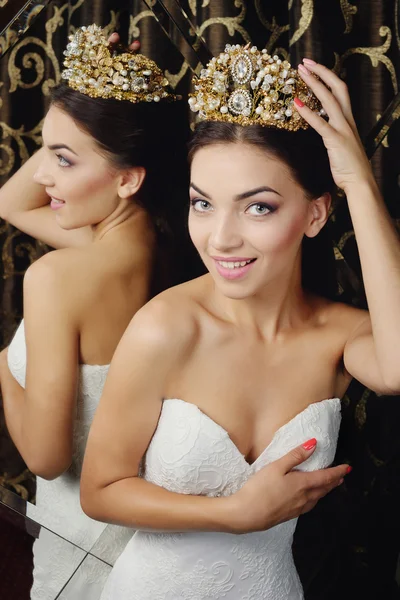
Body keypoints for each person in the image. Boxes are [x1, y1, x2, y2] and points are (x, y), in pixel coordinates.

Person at [80, 46, 400, 599]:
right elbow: (101, 491)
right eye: (202, 203)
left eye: (258, 207)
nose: (221, 237)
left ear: (315, 213)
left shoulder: (339, 336)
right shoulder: (166, 327)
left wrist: (360, 183)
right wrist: (235, 514)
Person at [0, 24, 192, 600]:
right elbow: (10, 202)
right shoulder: (157, 256)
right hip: (144, 542)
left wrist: (3, 368)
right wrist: (87, 107)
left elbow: (46, 455)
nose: (41, 175)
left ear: (129, 178)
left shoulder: (57, 277)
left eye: (63, 159)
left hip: (79, 538)